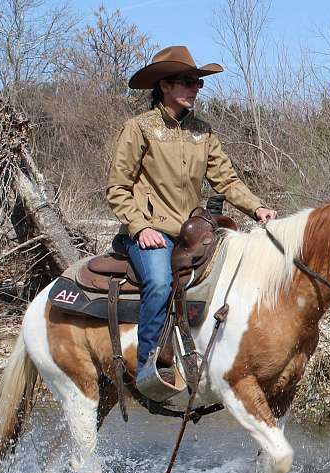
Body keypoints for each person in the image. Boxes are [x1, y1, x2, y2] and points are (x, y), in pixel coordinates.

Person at [106, 46, 277, 387]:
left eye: (198, 83)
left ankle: (223, 363)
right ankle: (148, 369)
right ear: (165, 86)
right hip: (151, 232)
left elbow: (225, 179)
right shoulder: (139, 128)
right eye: (187, 82)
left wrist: (256, 207)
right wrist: (140, 227)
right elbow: (117, 188)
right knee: (158, 281)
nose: (195, 88)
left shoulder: (203, 131)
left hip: (193, 234)